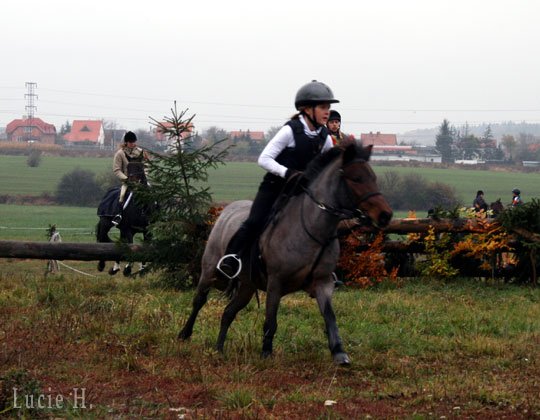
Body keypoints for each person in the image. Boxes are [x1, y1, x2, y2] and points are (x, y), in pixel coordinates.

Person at [217, 80, 339, 279]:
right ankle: (231, 258)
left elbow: (330, 166)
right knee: (255, 221)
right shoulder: (290, 130)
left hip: (301, 191)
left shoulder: (324, 136)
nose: (328, 112)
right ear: (306, 109)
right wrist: (287, 173)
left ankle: (323, 269)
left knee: (323, 222)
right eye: (323, 107)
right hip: (275, 187)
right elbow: (264, 159)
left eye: (329, 107)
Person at [112, 131, 148, 225]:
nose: (133, 144)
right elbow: (117, 170)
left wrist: (145, 176)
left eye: (134, 142)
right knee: (122, 195)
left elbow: (147, 165)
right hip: (128, 181)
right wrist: (126, 179)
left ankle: (156, 213)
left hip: (142, 180)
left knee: (152, 193)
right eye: (131, 142)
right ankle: (118, 215)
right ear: (126, 142)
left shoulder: (141, 152)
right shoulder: (120, 154)